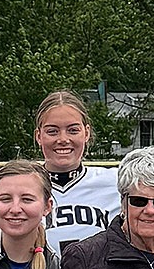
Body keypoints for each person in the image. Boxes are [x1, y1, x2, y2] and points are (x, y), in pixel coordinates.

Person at [35, 90, 121, 253]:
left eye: (73, 130)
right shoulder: (21, 187)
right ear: (39, 136)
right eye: (52, 131)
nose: (63, 139)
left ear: (86, 133)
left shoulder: (115, 183)